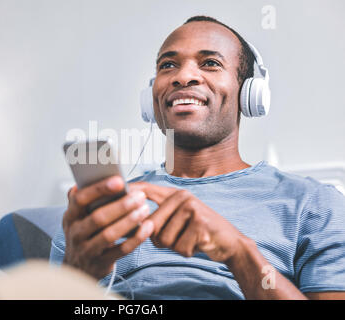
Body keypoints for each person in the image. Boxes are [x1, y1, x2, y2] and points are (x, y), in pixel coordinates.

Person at [50, 16, 345, 299]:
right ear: (151, 98)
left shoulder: (314, 204)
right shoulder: (101, 212)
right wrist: (76, 275)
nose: (183, 76)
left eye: (210, 63)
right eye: (168, 65)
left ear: (249, 94)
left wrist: (237, 251)